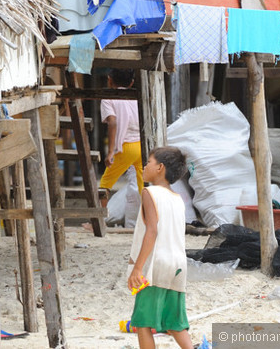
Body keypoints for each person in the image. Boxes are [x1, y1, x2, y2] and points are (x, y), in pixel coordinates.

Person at [127, 146, 192, 349]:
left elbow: (152, 231)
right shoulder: (178, 199)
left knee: (143, 323)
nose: (144, 166)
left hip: (156, 266)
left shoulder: (150, 192)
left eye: (148, 162)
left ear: (160, 168)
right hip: (178, 265)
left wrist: (138, 268)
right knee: (176, 323)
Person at [100, 69, 143, 226]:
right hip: (141, 146)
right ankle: (149, 221)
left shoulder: (108, 98)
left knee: (104, 184)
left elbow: (112, 122)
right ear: (131, 82)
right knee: (143, 187)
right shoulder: (137, 96)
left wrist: (110, 151)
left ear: (109, 80)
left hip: (126, 147)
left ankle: (99, 221)